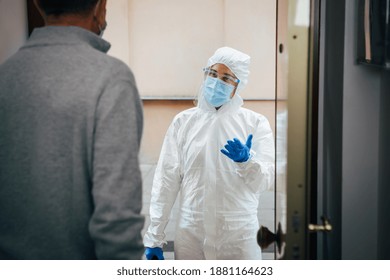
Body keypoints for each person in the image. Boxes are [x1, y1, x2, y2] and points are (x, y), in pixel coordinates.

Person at [0, 0, 144, 259]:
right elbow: (116, 219)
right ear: (101, 7)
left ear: (37, 4)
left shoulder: (6, 75)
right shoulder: (110, 79)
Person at [143, 47, 275, 260]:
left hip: (238, 235)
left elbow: (264, 182)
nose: (216, 81)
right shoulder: (183, 122)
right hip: (191, 234)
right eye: (212, 74)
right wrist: (154, 238)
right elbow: (166, 182)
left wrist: (246, 161)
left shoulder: (255, 123)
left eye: (226, 77)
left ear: (237, 86)